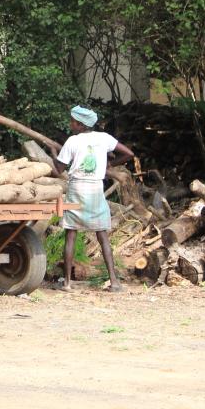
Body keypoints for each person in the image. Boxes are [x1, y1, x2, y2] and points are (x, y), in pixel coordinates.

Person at [49, 105, 135, 292]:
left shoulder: (72, 141)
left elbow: (59, 170)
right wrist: (111, 164)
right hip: (96, 189)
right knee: (102, 235)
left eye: (73, 121)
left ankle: (67, 283)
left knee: (71, 234)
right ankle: (114, 282)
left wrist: (54, 155)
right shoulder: (104, 139)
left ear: (80, 125)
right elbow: (129, 154)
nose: (70, 124)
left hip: (77, 188)